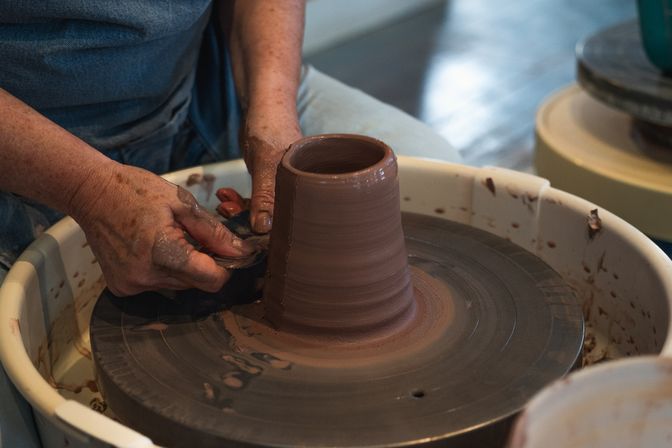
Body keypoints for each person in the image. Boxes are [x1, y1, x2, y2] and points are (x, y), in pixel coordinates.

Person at [0, 1, 460, 446]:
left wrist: (272, 111)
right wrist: (90, 189)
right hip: (24, 141)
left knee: (432, 163)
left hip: (201, 81)